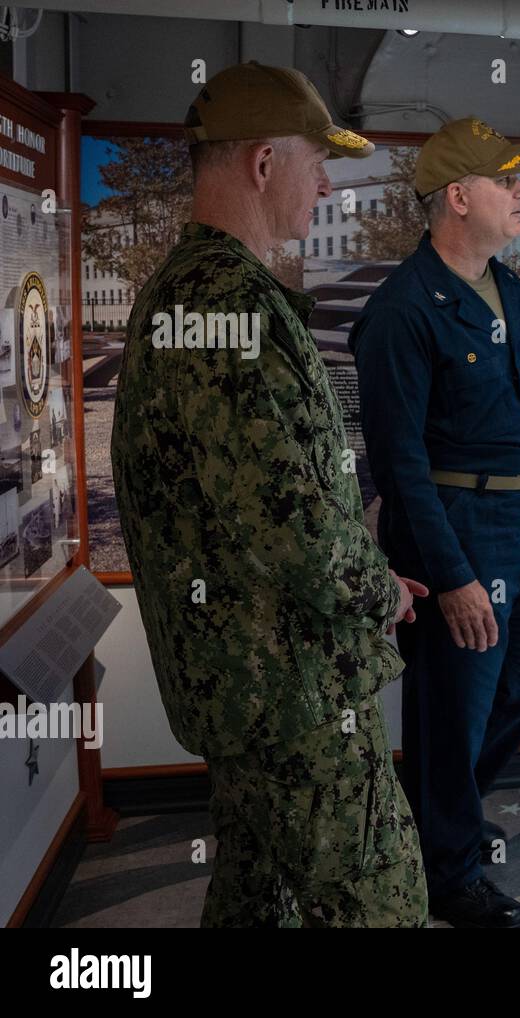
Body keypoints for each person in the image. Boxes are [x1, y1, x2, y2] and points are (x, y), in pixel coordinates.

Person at [110, 62, 429, 927]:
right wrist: (380, 590)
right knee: (380, 899)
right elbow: (288, 524)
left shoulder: (188, 291)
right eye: (315, 161)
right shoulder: (231, 307)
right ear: (261, 164)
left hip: (244, 690)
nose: (327, 183)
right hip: (293, 695)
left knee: (259, 894)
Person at [350, 117, 520, 928]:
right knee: (454, 706)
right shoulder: (402, 311)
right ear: (456, 196)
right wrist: (450, 577)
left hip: (519, 517)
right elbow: (399, 464)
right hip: (455, 525)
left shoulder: (505, 286)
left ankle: (437, 815)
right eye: (506, 180)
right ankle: (448, 873)